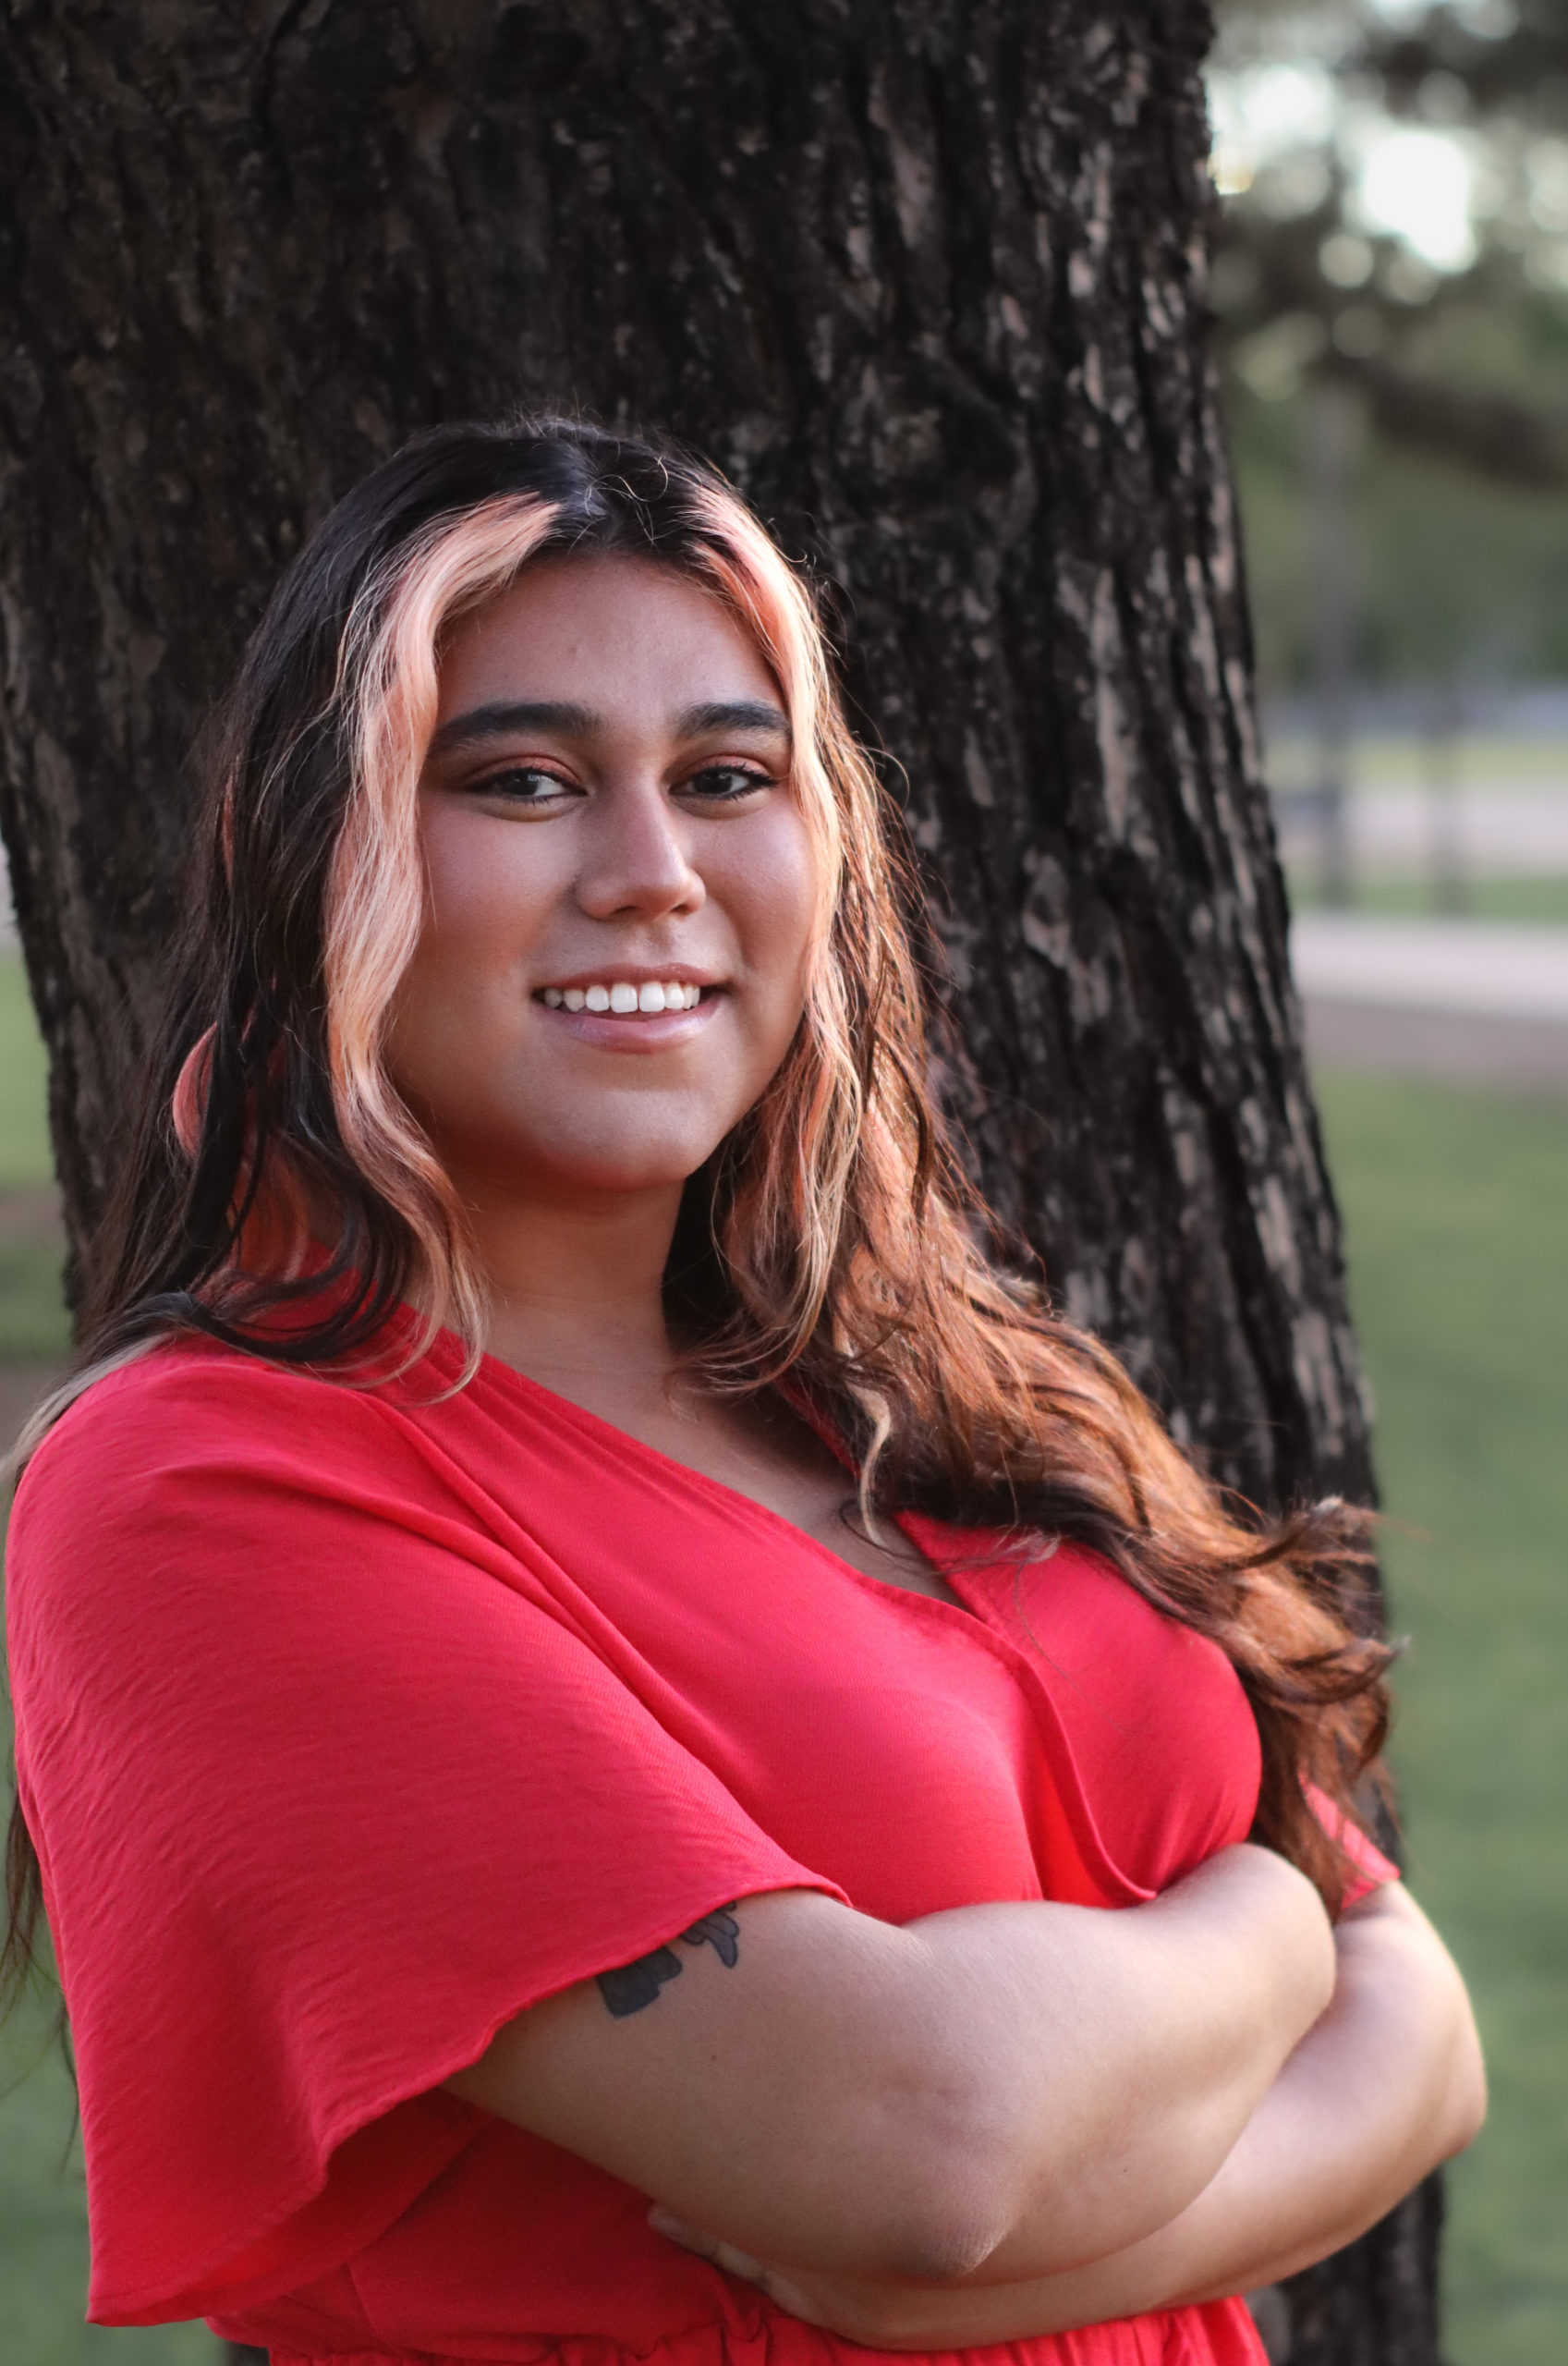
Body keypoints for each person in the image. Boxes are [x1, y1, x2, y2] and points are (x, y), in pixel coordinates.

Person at [2, 419, 1482, 2366]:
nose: (651, 873)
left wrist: (1056, 2238)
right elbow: (912, 2142)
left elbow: (1431, 2028)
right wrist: (1269, 1931)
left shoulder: (950, 1379)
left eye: (726, 777)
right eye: (522, 778)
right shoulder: (201, 1486)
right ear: (325, 852)